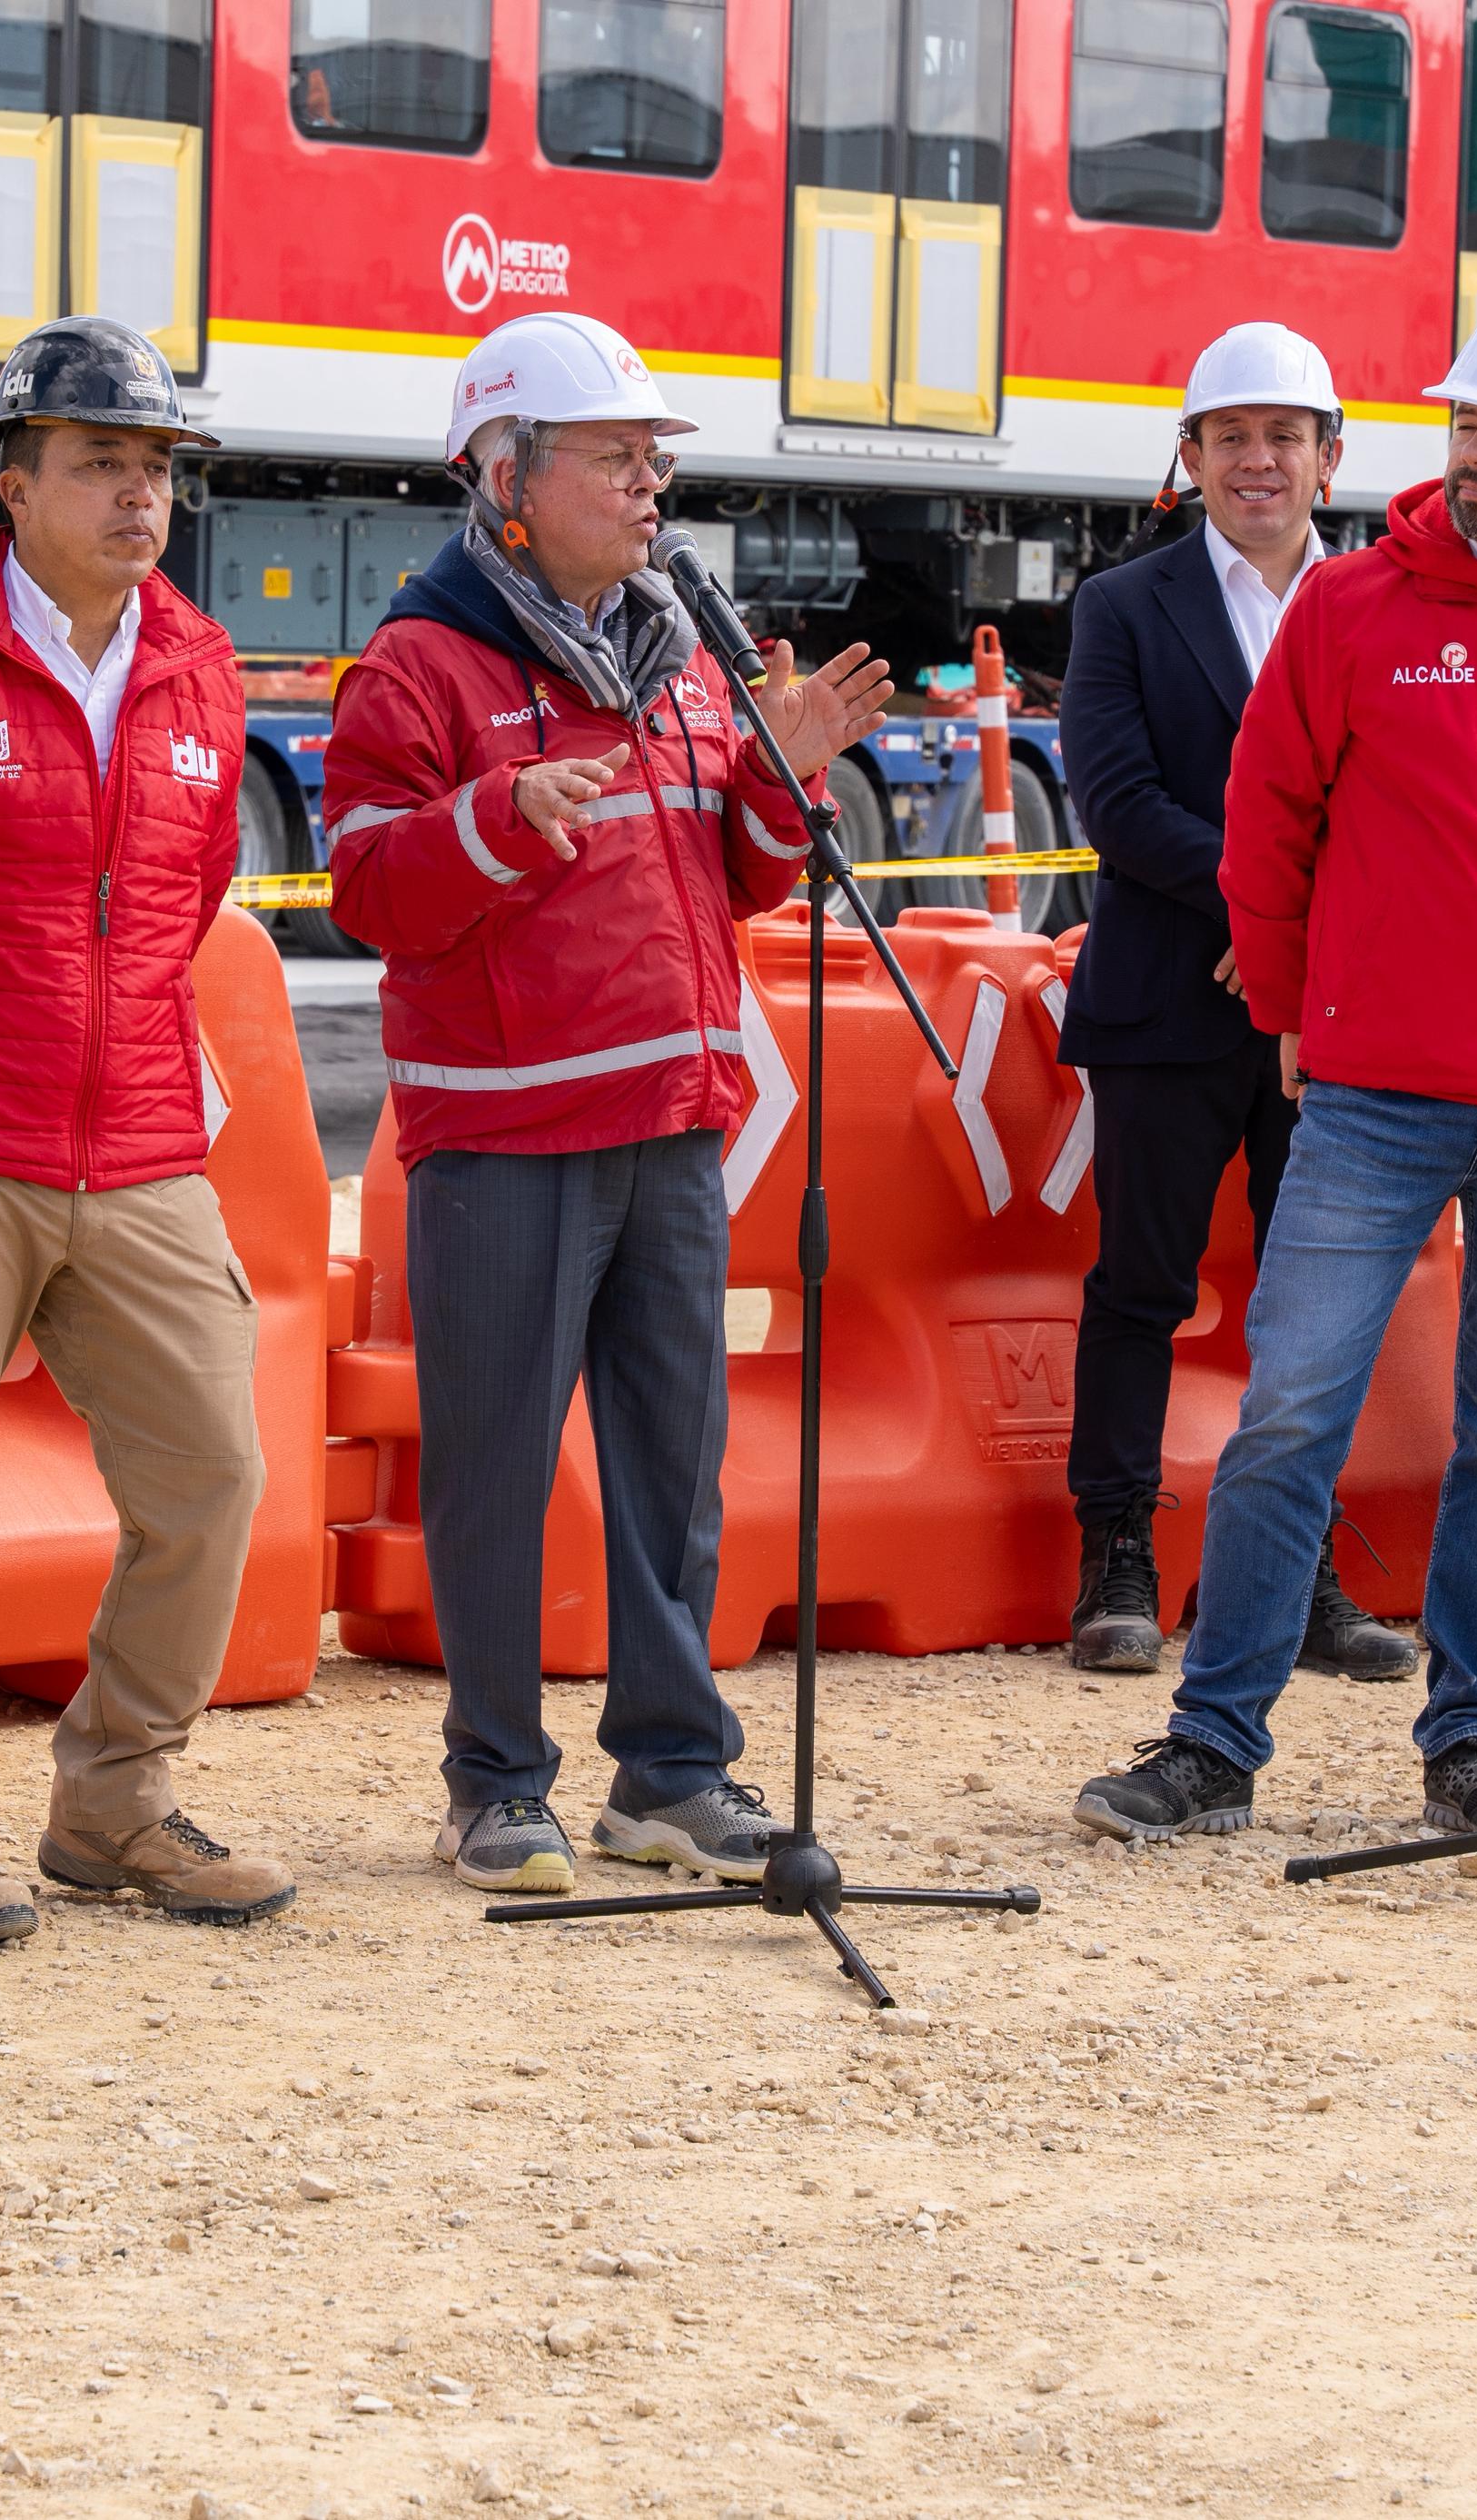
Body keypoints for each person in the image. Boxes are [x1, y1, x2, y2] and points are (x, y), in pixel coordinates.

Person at [1066, 296, 1477, 1845]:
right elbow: (1268, 827)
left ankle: (1475, 1745)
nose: (1474, 457)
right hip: (1372, 1092)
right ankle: (1213, 1739)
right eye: (1463, 428)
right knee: (1291, 1407)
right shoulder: (1354, 610)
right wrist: (1299, 1007)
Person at [321, 312, 895, 1898]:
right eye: (619, 458)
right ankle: (495, 1781)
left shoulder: (680, 649)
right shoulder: (418, 666)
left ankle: (672, 1771)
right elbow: (367, 888)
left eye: (658, 460)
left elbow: (742, 878)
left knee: (672, 1458)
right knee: (497, 1465)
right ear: (506, 477)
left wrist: (784, 777)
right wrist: (499, 819)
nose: (652, 487)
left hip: (671, 1116)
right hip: (503, 1134)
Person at [0, 317, 290, 1938]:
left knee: (215, 1470)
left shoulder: (204, 669)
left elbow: (193, 892)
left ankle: (116, 1800)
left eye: (157, 468)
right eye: (101, 462)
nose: (139, 495)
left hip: (146, 1142)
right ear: (10, 482)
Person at [1050, 321, 1410, 1687]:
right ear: (1187, 456)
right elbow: (1120, 802)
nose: (1257, 460)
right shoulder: (1123, 607)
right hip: (1170, 999)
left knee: (1308, 1302)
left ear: (1331, 455)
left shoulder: (1385, 605)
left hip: (1332, 1009)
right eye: (1229, 436)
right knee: (1142, 1284)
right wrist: (1264, 912)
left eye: (1284, 436)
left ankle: (1293, 1572)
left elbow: (1404, 801)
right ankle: (1118, 1562)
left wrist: (1295, 936)